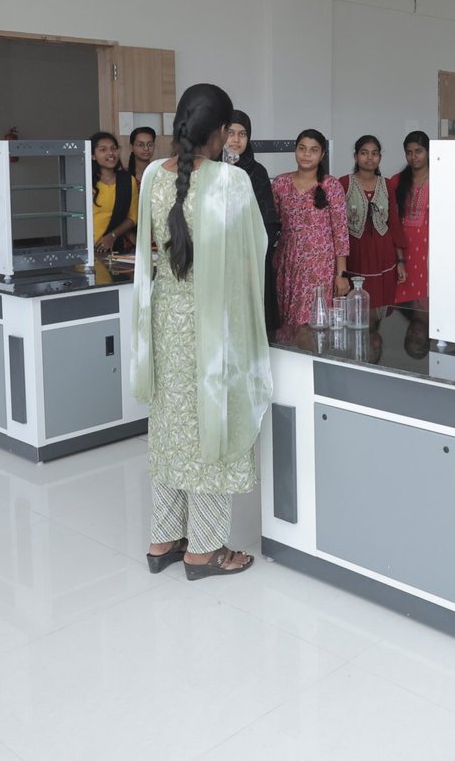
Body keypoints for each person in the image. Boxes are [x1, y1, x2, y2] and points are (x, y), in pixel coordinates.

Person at [131, 83, 272, 578]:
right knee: (212, 422)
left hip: (165, 318)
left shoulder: (152, 174)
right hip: (212, 324)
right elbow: (253, 251)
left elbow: (153, 249)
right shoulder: (231, 181)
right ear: (221, 132)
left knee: (171, 425)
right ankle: (205, 549)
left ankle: (163, 538)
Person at [273, 129, 349, 326]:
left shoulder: (331, 186)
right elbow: (272, 224)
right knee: (286, 323)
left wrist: (341, 274)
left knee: (314, 323)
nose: (306, 154)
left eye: (313, 150)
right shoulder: (280, 183)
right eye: (302, 148)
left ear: (322, 155)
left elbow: (340, 232)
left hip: (320, 267)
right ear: (295, 151)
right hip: (288, 263)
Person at [224, 110, 281, 332]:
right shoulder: (210, 170)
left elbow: (268, 220)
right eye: (230, 133)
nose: (236, 140)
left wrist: (252, 254)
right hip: (218, 256)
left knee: (251, 322)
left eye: (242, 134)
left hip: (251, 260)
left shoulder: (257, 172)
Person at [340, 135, 399, 312]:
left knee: (382, 302)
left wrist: (401, 260)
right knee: (356, 306)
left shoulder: (387, 184)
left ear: (380, 157)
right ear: (355, 156)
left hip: (383, 250)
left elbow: (394, 223)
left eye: (374, 153)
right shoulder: (344, 183)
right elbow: (337, 224)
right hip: (355, 251)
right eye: (364, 153)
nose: (369, 158)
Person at [389, 131, 431, 306]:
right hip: (402, 247)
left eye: (418, 151)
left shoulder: (441, 180)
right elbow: (392, 219)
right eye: (409, 152)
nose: (414, 157)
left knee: (428, 297)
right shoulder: (397, 181)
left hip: (430, 248)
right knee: (402, 298)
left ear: (428, 151)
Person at [89, 131, 136, 259]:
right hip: (87, 247)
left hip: (114, 248)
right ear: (93, 155)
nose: (110, 153)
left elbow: (133, 217)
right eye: (103, 150)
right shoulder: (86, 182)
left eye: (113, 148)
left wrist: (112, 236)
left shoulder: (127, 180)